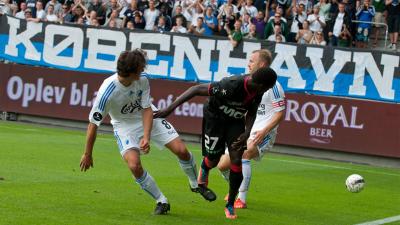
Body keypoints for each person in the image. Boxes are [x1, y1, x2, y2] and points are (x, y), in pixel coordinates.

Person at [80, 49, 216, 215]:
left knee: (182, 150)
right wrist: (87, 153)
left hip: (149, 117)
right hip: (124, 127)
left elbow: (146, 109)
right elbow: (93, 124)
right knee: (134, 165)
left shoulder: (142, 79)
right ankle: (161, 200)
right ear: (131, 71)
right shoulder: (107, 92)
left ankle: (196, 184)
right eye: (140, 68)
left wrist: (146, 136)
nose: (143, 70)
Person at [154, 49, 277, 219]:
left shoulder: (259, 90)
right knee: (213, 160)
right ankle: (203, 174)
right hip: (215, 119)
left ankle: (230, 204)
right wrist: (168, 109)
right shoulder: (231, 85)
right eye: (270, 87)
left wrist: (247, 132)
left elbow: (251, 112)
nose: (270, 89)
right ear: (264, 86)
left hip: (235, 121)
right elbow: (196, 89)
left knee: (236, 158)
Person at [217, 51, 285, 210]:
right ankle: (234, 189)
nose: (248, 64)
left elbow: (280, 113)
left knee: (246, 151)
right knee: (222, 165)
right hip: (247, 130)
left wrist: (264, 131)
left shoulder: (274, 86)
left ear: (261, 64)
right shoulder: (248, 82)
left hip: (263, 132)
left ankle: (241, 198)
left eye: (252, 61)